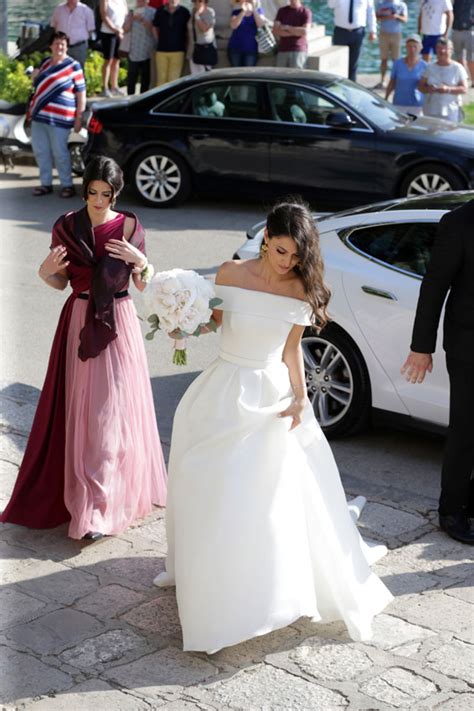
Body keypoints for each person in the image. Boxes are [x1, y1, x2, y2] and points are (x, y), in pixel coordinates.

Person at [153, 200, 393, 654]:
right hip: (221, 389)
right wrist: (181, 324)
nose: (287, 262)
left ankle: (253, 593)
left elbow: (291, 352)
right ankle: (201, 570)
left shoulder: (301, 290)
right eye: (281, 251)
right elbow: (215, 323)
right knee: (204, 481)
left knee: (259, 497)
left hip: (270, 396)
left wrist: (301, 399)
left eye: (296, 256)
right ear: (266, 237)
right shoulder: (228, 272)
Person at [0, 156, 167, 540]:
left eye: (105, 194)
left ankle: (102, 508)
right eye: (92, 192)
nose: (98, 200)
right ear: (85, 189)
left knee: (112, 415)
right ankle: (86, 503)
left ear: (116, 192)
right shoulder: (66, 226)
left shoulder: (129, 227)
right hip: (78, 320)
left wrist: (142, 262)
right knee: (84, 415)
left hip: (118, 323)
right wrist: (44, 272)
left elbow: (143, 284)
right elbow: (60, 282)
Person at [401, 199, 474, 546]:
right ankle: (452, 511)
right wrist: (421, 347)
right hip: (468, 347)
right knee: (466, 428)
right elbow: (434, 285)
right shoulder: (458, 222)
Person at [28, 31, 86, 199]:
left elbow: (81, 93)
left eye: (63, 43)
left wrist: (79, 117)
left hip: (61, 118)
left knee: (60, 153)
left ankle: (67, 185)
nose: (59, 46)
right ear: (51, 46)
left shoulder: (73, 66)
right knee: (41, 151)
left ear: (67, 46)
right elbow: (38, 83)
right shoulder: (45, 63)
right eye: (56, 43)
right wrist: (34, 77)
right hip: (39, 115)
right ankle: (45, 183)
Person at [418, 37, 468, 121]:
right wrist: (428, 89)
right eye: (439, 49)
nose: (442, 51)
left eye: (445, 49)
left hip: (450, 111)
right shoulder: (429, 67)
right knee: (430, 133)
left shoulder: (458, 68)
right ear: (436, 50)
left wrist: (448, 89)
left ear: (451, 51)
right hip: (431, 110)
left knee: (449, 134)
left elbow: (464, 89)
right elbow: (420, 86)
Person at [328, 0, 377, 81]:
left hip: (358, 32)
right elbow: (330, 5)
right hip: (341, 31)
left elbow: (370, 11)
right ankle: (338, 87)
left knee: (354, 64)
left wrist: (373, 30)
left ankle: (351, 88)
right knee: (339, 62)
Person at [385, 33, 427, 115]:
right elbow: (392, 82)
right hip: (399, 103)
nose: (412, 49)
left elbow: (426, 86)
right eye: (409, 46)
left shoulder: (425, 66)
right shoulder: (398, 64)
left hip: (417, 105)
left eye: (415, 46)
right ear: (406, 47)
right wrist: (386, 98)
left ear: (420, 48)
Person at [152, 0, 190, 86]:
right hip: (161, 50)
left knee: (173, 80)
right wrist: (158, 40)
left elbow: (188, 31)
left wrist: (187, 45)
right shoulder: (160, 10)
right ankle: (161, 99)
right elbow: (154, 27)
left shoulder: (184, 12)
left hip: (178, 50)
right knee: (160, 79)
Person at [51, 0, 96, 69]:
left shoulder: (86, 10)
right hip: (61, 47)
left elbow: (90, 29)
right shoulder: (59, 9)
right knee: (60, 70)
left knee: (78, 70)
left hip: (79, 47)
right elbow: (54, 26)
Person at [123, 0, 155, 94]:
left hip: (147, 49)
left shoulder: (153, 12)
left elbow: (153, 30)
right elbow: (125, 29)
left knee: (145, 78)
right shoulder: (131, 11)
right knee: (131, 77)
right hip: (134, 50)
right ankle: (130, 99)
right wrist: (131, 19)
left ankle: (143, 100)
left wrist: (142, 20)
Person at [374, 0, 408, 89]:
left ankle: (396, 81)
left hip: (396, 34)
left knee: (396, 60)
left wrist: (396, 16)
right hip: (383, 33)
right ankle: (382, 81)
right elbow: (376, 18)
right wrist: (386, 17)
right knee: (383, 59)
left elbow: (405, 19)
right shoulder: (381, 4)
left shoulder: (401, 4)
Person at [100, 0, 129, 96]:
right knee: (108, 60)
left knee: (117, 60)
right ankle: (105, 88)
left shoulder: (123, 1)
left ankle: (114, 87)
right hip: (108, 33)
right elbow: (104, 16)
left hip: (119, 34)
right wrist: (115, 30)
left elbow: (126, 15)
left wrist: (122, 30)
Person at [273, 0, 312, 69]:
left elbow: (304, 31)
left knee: (296, 76)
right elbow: (275, 30)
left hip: (298, 49)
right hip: (283, 49)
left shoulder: (305, 12)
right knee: (280, 76)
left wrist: (286, 28)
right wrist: (296, 32)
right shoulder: (282, 11)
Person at [227, 0, 265, 68]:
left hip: (251, 49)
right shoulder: (236, 12)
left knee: (248, 73)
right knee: (235, 72)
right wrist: (243, 11)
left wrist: (253, 10)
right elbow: (233, 26)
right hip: (235, 48)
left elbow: (261, 26)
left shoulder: (259, 11)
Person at [188, 0, 217, 74]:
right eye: (195, 1)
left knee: (205, 76)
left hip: (205, 50)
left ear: (205, 2)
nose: (197, 3)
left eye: (200, 1)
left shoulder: (209, 12)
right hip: (193, 50)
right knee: (194, 77)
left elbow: (204, 29)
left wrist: (197, 16)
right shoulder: (192, 11)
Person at [452, 0, 474, 86]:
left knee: (471, 58)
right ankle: (463, 80)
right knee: (459, 58)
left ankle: (473, 80)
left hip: (470, 30)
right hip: (457, 29)